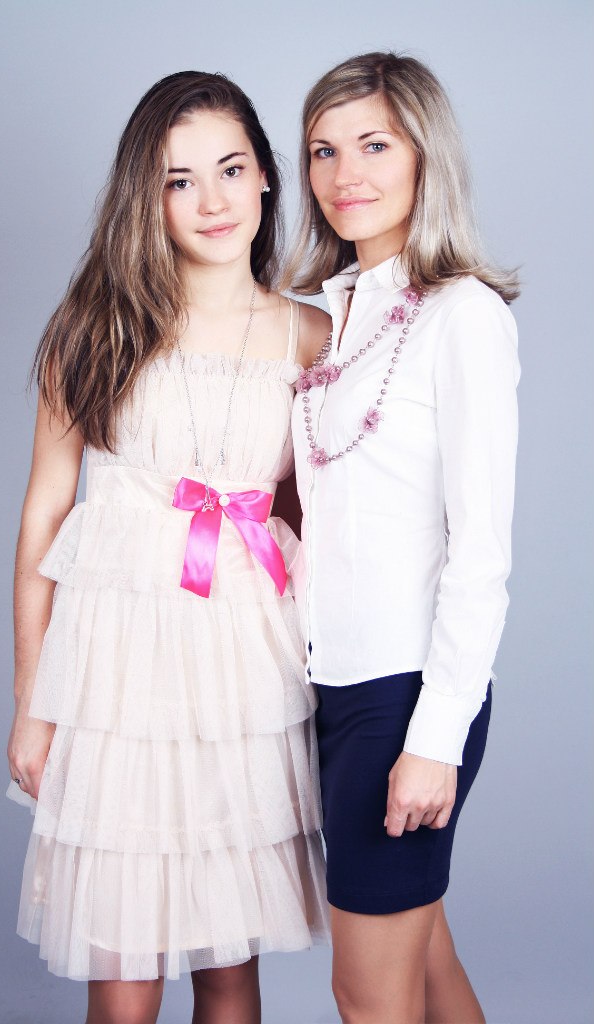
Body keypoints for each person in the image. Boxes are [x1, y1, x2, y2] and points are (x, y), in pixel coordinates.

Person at [7, 70, 331, 1024]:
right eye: (179, 180)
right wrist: (32, 703)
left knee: (230, 968)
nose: (212, 200)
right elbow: (43, 518)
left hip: (244, 676)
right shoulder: (95, 329)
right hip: (117, 679)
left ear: (266, 175)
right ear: (144, 198)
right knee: (125, 968)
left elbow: (312, 516)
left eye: (230, 169)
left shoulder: (312, 336)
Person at [286, 52, 520, 1024]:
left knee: (367, 993)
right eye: (323, 150)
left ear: (426, 154)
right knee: (425, 967)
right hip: (324, 684)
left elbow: (482, 550)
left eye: (374, 145)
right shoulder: (330, 318)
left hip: (405, 693)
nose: (346, 174)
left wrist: (433, 739)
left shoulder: (463, 316)